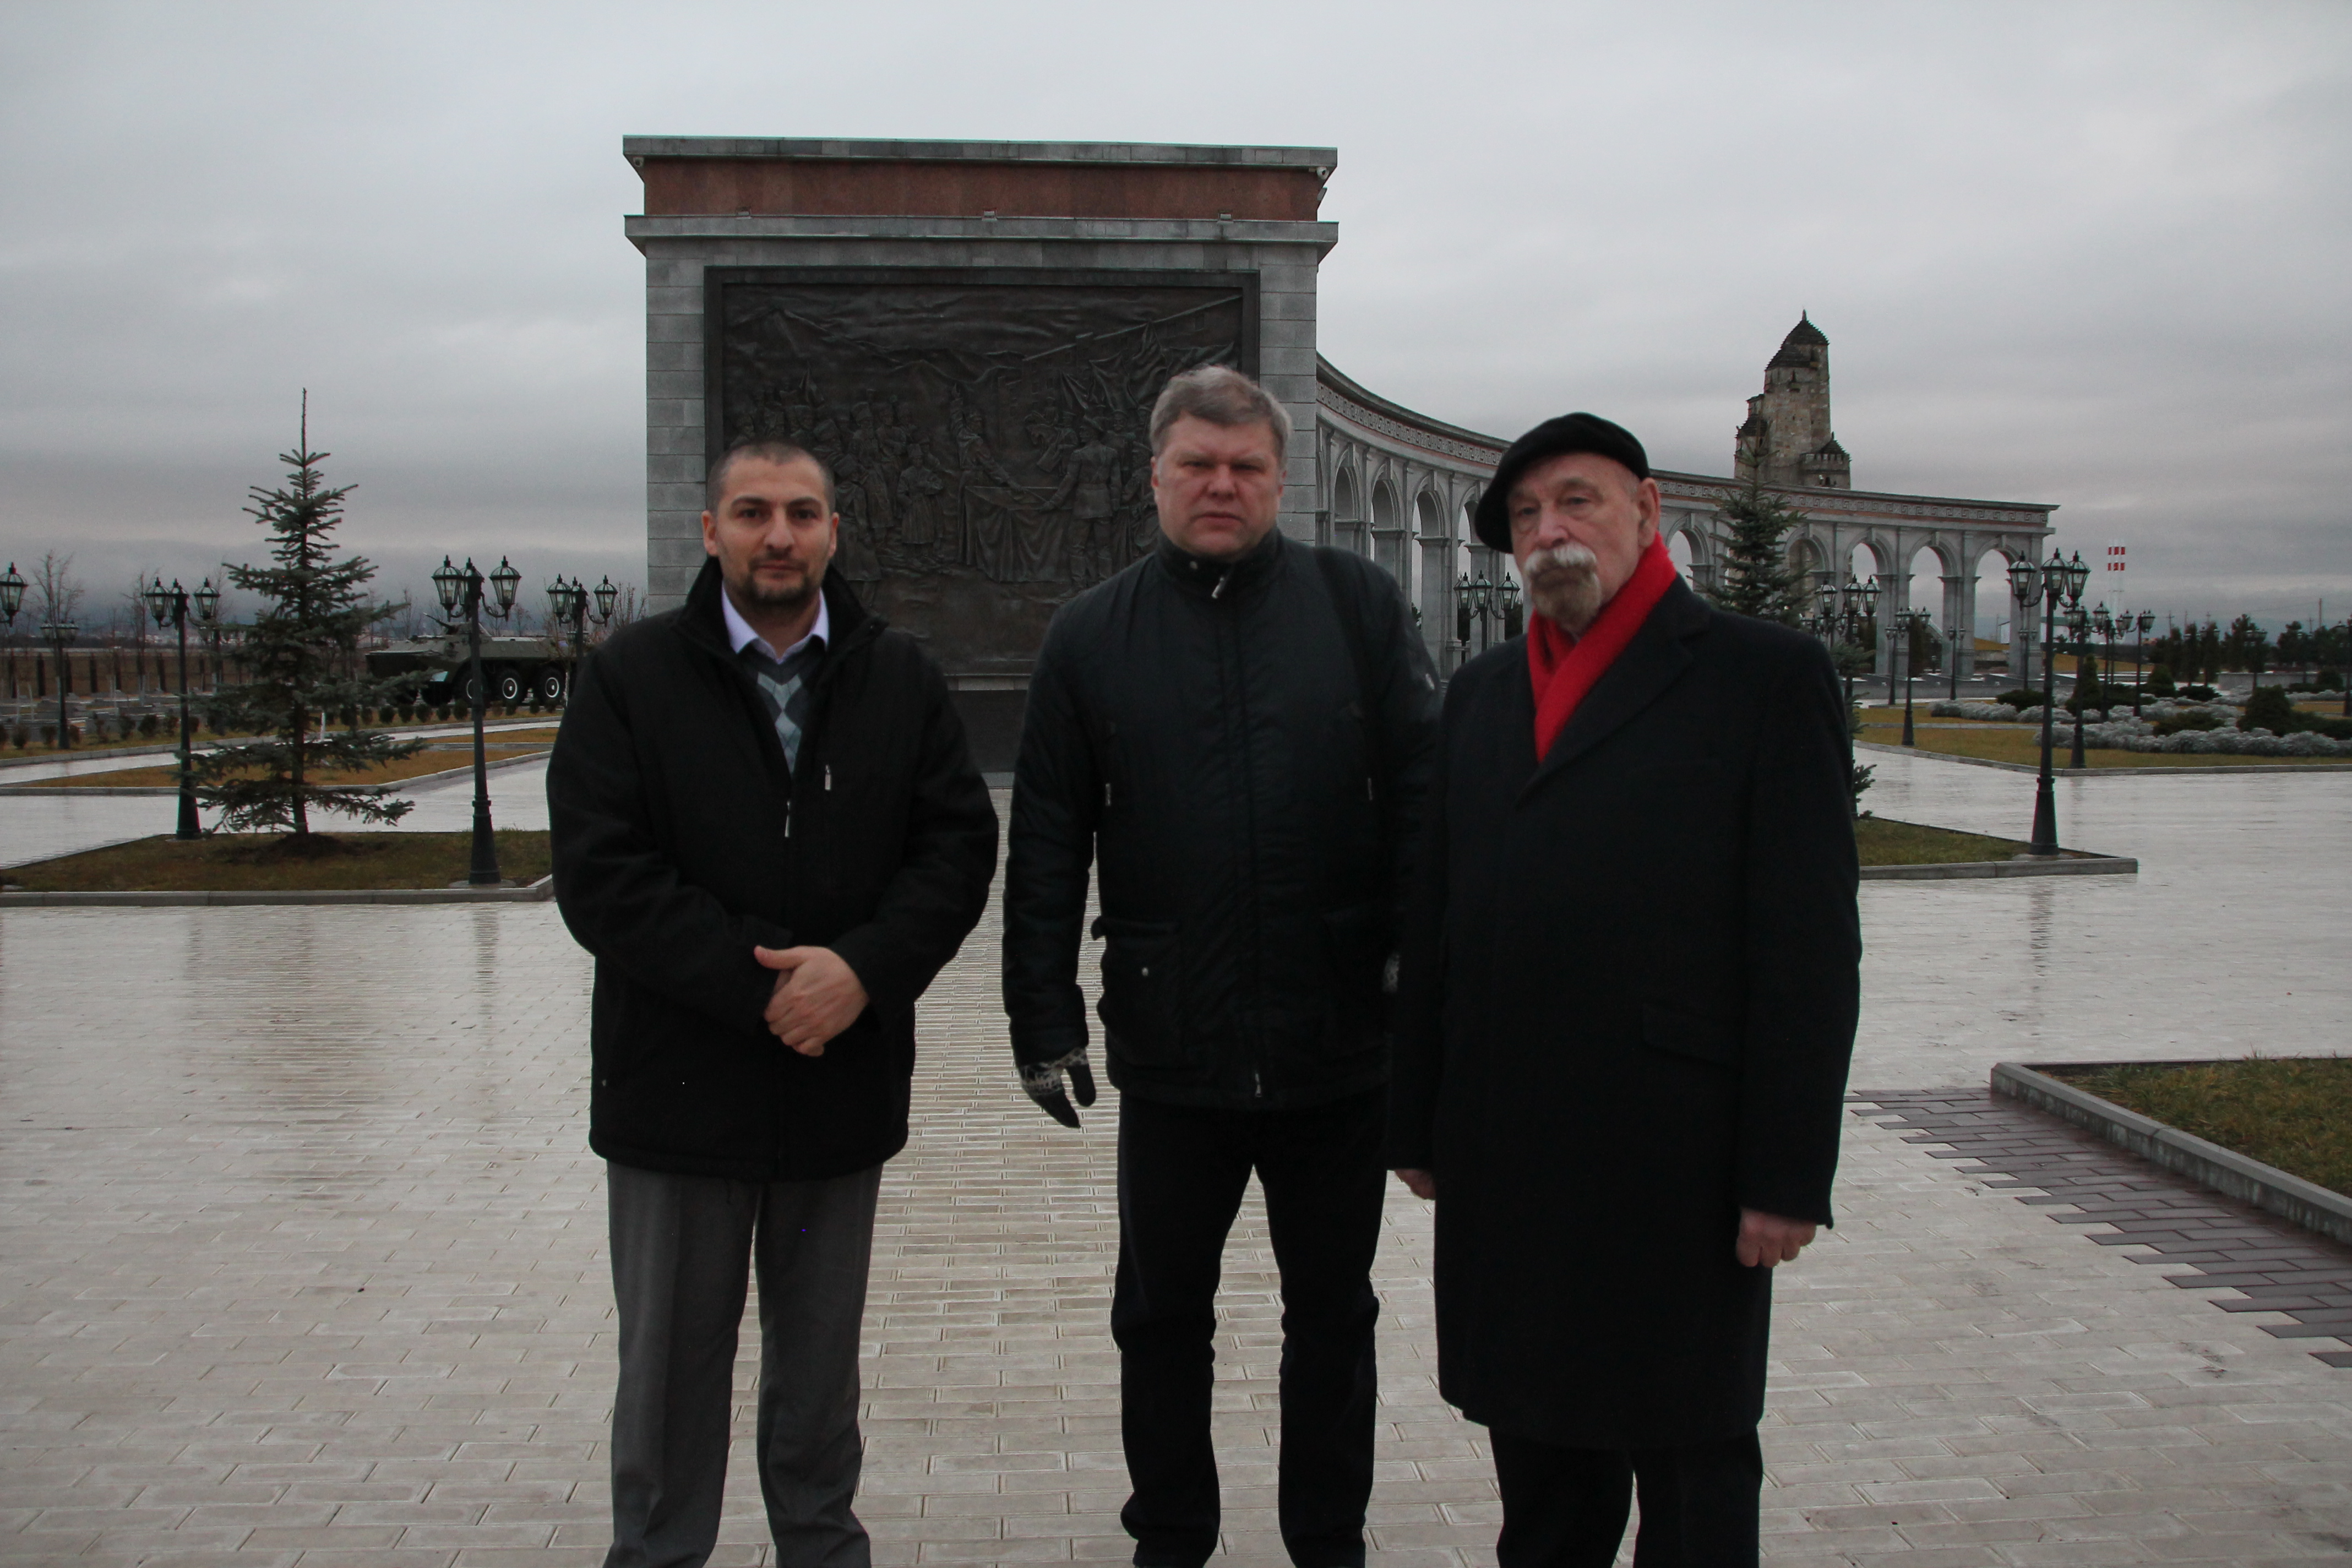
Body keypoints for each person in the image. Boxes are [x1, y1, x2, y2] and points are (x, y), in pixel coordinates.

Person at [1387, 413, 1859, 1568]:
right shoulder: (1484, 693)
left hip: (1677, 1164)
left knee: (1692, 1466)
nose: (1550, 530)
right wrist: (1419, 1121)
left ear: (1647, 510)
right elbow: (1437, 916)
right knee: (1543, 1468)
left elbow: (1806, 950)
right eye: (1526, 515)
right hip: (1512, 1155)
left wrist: (1786, 1173)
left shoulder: (1762, 676)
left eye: (1577, 500)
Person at [1003, 364, 1440, 1568]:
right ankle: (1172, 1537)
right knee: (1158, 1316)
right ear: (1154, 475)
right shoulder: (1091, 634)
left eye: (1246, 467)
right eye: (1197, 464)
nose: (1221, 485)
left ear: (1281, 481)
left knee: (1334, 1314)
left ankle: (1328, 1538)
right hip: (1173, 1043)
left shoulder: (1357, 607)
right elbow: (1048, 839)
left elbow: (1426, 800)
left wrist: (1421, 977)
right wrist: (1042, 1014)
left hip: (1336, 1038)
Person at [549, 440, 998, 1568]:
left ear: (835, 530)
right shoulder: (631, 677)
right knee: (666, 1380)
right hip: (676, 1102)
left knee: (818, 1382)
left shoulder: (901, 679)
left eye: (802, 512)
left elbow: (955, 850)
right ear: (711, 532)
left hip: (835, 1097)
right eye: (752, 512)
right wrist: (768, 990)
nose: (779, 535)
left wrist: (863, 971)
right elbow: (603, 874)